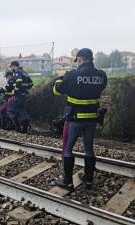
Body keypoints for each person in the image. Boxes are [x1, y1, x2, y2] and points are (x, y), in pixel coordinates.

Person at [52, 48, 107, 191]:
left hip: (74, 120)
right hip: (92, 119)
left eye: (77, 61)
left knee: (67, 150)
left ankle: (68, 182)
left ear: (80, 59)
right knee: (89, 149)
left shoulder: (72, 75)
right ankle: (88, 180)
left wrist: (60, 79)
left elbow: (57, 90)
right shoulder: (101, 75)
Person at [7, 61, 33, 132]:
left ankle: (17, 128)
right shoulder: (25, 73)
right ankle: (24, 130)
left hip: (19, 95)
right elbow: (31, 84)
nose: (11, 68)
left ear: (13, 66)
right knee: (22, 111)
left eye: (11, 67)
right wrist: (25, 89)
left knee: (10, 111)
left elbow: (19, 81)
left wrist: (15, 91)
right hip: (25, 96)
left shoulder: (17, 72)